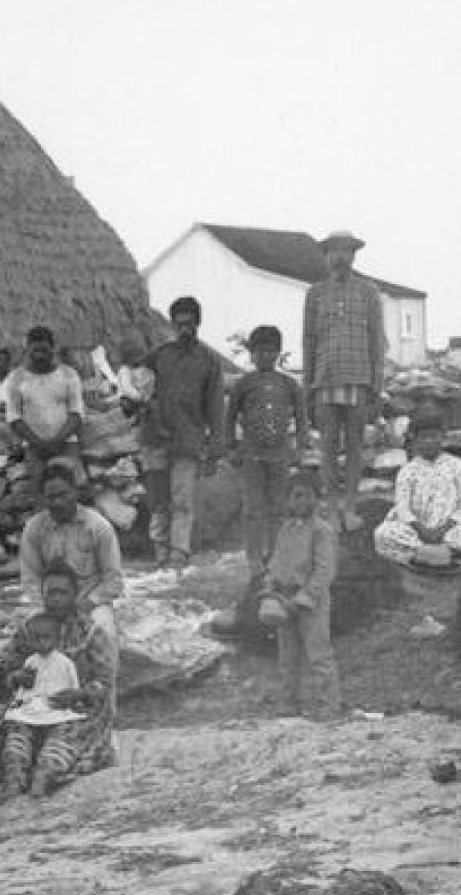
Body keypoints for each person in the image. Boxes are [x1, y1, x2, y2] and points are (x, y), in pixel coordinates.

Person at [0, 562, 120, 800]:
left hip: (78, 711)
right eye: (51, 592)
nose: (56, 599)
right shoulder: (30, 630)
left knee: (58, 747)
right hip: (35, 709)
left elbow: (105, 682)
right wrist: (16, 678)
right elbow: (9, 672)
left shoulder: (91, 632)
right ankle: (13, 784)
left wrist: (78, 694)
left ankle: (41, 781)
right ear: (42, 593)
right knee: (9, 737)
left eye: (63, 592)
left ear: (75, 594)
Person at [222, 324, 307, 628]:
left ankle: (276, 553)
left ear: (279, 353)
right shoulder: (244, 383)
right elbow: (230, 416)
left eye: (271, 351)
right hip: (252, 454)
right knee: (253, 507)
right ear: (251, 353)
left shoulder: (289, 384)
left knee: (278, 507)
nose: (265, 356)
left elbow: (301, 414)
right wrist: (230, 446)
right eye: (259, 351)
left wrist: (301, 446)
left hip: (280, 454)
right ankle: (254, 557)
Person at [302, 230, 386, 531]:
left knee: (354, 446)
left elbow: (377, 338)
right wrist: (307, 387)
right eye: (333, 251)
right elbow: (308, 342)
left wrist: (378, 381)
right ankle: (332, 508)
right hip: (325, 379)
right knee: (327, 447)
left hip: (359, 378)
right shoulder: (315, 293)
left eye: (346, 251)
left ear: (353, 256)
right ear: (326, 257)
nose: (340, 257)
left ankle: (350, 507)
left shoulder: (369, 292)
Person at [141, 297, 225, 569]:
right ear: (172, 325)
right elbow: (135, 379)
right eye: (179, 324)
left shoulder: (209, 361)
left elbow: (215, 405)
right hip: (155, 437)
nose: (184, 330)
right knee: (157, 499)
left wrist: (216, 445)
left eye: (189, 324)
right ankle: (160, 550)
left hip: (188, 439)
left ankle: (179, 551)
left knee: (182, 498)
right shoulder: (159, 355)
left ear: (198, 324)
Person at [259, 474, 343, 718]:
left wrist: (304, 598)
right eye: (296, 496)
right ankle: (288, 702)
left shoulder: (321, 530)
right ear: (287, 500)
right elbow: (276, 562)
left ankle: (329, 704)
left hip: (311, 602)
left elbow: (325, 570)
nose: (301, 501)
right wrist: (270, 589)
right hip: (284, 600)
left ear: (317, 499)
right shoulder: (286, 529)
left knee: (319, 653)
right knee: (287, 655)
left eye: (307, 495)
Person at [373, 406, 461, 568]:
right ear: (414, 439)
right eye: (424, 437)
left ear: (443, 438)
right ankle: (425, 555)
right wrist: (423, 531)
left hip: (451, 530)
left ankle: (447, 555)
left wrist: (443, 529)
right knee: (384, 534)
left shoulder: (457, 466)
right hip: (416, 532)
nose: (429, 441)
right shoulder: (407, 471)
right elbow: (403, 509)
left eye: (434, 436)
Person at [18, 460, 124, 610]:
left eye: (63, 494)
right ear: (43, 498)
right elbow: (30, 579)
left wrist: (87, 604)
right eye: (51, 497)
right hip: (49, 605)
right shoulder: (33, 528)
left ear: (75, 492)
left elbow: (114, 580)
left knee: (101, 632)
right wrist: (44, 608)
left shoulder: (98, 526)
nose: (58, 502)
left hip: (91, 604)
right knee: (32, 630)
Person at [5, 326, 85, 499]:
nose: (39, 353)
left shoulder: (69, 374)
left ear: (52, 349)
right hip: (34, 448)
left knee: (71, 495)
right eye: (35, 349)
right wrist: (39, 443)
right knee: (41, 497)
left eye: (44, 349)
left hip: (66, 444)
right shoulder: (16, 378)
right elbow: (14, 417)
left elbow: (76, 413)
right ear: (27, 350)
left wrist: (57, 441)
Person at [3, 613, 85, 727]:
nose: (42, 642)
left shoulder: (66, 663)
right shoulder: (30, 661)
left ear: (56, 639)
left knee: (63, 723)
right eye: (36, 639)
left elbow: (74, 684)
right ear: (30, 640)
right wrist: (19, 698)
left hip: (56, 704)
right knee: (18, 719)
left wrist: (77, 701)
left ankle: (54, 741)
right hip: (34, 704)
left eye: (46, 638)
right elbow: (24, 686)